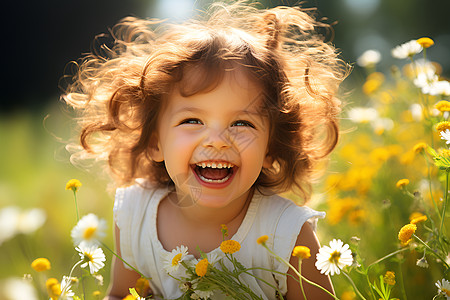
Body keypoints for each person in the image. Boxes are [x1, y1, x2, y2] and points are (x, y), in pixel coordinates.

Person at [63, 1, 347, 299]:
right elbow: (120, 294)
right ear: (155, 142)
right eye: (192, 120)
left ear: (270, 148)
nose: (217, 140)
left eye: (241, 123)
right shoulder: (137, 215)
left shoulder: (286, 234)